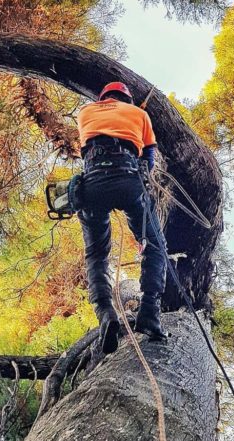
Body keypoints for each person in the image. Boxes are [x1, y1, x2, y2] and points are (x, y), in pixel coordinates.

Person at [76, 82, 168, 354]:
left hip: (90, 183)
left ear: (103, 97)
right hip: (128, 180)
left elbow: (86, 145)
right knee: (155, 245)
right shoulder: (139, 115)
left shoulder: (85, 112)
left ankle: (105, 313)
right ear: (127, 98)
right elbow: (149, 158)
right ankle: (150, 311)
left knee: (96, 255)